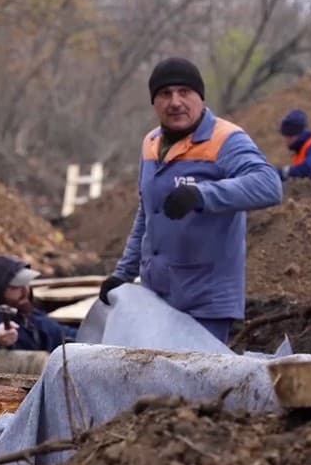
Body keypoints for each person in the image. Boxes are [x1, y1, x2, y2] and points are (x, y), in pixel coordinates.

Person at [98, 57, 283, 344]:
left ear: (200, 97)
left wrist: (202, 194)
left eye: (184, 92)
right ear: (154, 101)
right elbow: (147, 213)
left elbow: (268, 185)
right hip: (156, 297)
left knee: (196, 386)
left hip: (205, 301)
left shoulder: (225, 139)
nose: (175, 102)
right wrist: (124, 273)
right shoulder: (151, 143)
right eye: (165, 94)